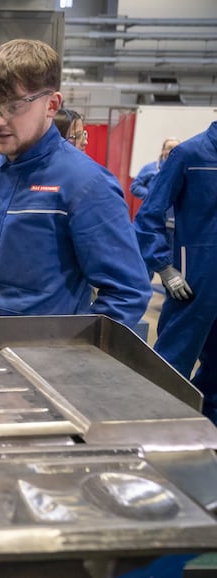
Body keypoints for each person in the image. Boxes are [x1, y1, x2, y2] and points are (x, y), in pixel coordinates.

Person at [0, 39, 151, 329]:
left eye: (13, 107)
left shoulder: (86, 184)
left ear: (52, 105)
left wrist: (68, 355)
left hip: (39, 358)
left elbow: (128, 292)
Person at [133, 122, 217, 421]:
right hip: (194, 284)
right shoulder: (189, 154)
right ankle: (155, 429)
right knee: (170, 368)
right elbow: (148, 215)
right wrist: (165, 268)